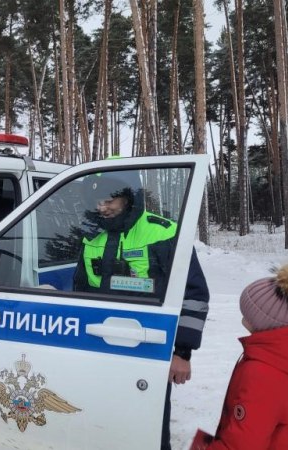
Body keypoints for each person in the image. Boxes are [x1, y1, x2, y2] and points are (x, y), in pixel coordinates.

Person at [72, 170, 210, 450]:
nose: (102, 208)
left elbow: (194, 294)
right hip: (100, 347)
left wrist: (182, 352)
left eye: (109, 200)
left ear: (128, 197)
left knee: (150, 429)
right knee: (103, 424)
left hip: (148, 348)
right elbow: (80, 292)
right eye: (97, 201)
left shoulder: (164, 233)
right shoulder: (91, 238)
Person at [195, 260, 288, 450]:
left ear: (264, 321)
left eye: (248, 314)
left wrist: (202, 447)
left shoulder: (262, 371)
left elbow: (241, 446)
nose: (243, 318)